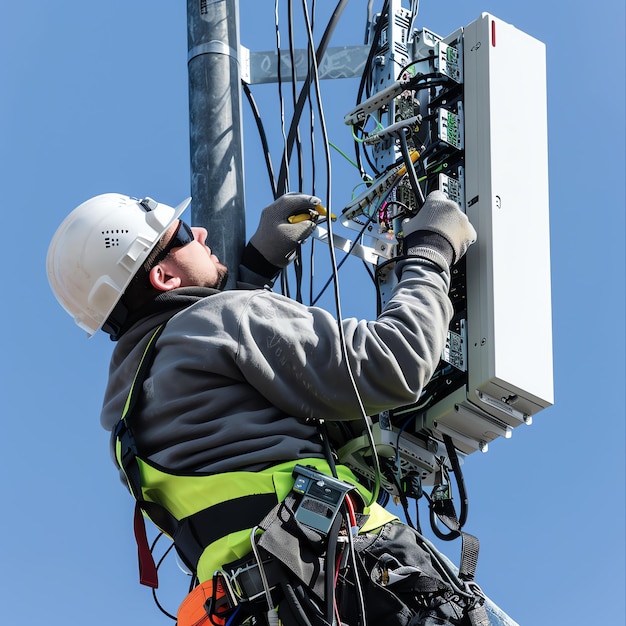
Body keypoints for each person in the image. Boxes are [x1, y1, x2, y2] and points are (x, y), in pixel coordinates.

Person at [47, 190, 516, 626]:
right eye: (186, 234)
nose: (204, 234)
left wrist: (254, 268)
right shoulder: (221, 320)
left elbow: (218, 376)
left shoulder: (124, 414)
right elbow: (397, 361)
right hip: (354, 573)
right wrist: (431, 250)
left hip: (257, 604)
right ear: (164, 277)